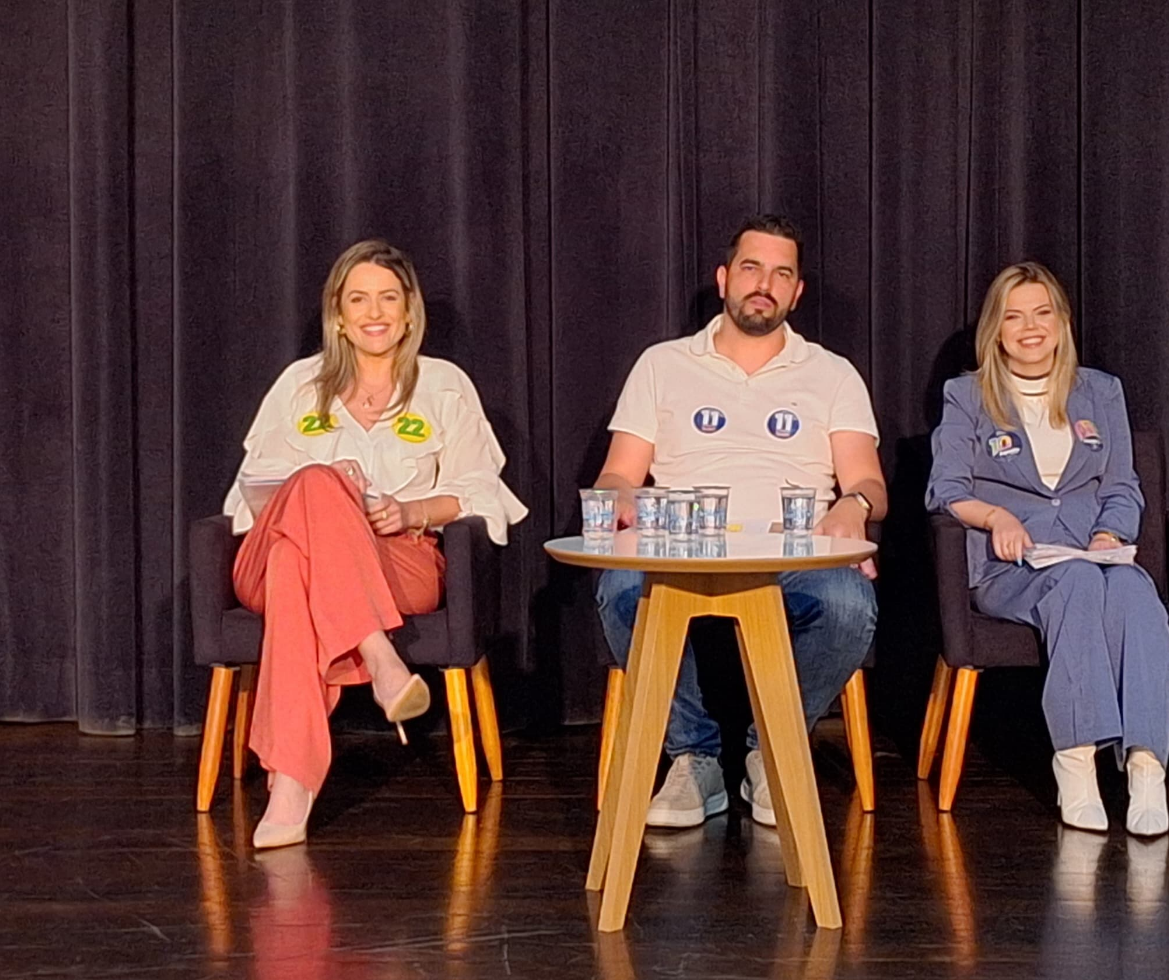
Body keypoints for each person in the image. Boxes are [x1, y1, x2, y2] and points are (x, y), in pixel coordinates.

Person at [223, 239, 528, 849]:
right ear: (337, 313)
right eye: (357, 298)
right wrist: (328, 495)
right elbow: (245, 500)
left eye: (389, 297)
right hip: (271, 549)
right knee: (312, 491)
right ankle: (380, 658)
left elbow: (483, 493)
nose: (374, 312)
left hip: (399, 556)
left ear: (410, 311)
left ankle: (291, 784)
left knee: (294, 567)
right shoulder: (298, 385)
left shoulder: (444, 386)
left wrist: (409, 509)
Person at [594, 214, 887, 829]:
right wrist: (616, 497)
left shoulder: (832, 374)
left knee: (848, 605)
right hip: (682, 547)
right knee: (621, 590)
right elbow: (619, 472)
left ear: (797, 291)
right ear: (725, 278)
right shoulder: (663, 364)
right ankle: (693, 757)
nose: (765, 284)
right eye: (752, 268)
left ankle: (771, 752)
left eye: (782, 273)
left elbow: (868, 484)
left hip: (797, 552)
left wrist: (853, 505)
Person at [925, 261, 1169, 836]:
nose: (1030, 328)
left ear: (1061, 323)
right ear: (996, 329)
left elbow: (1121, 485)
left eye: (1042, 313)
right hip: (1012, 565)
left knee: (1137, 590)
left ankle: (1145, 765)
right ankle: (1078, 763)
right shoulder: (967, 394)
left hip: (1092, 552)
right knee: (1080, 584)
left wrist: (1110, 533)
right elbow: (946, 490)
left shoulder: (1100, 391)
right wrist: (996, 516)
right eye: (1014, 316)